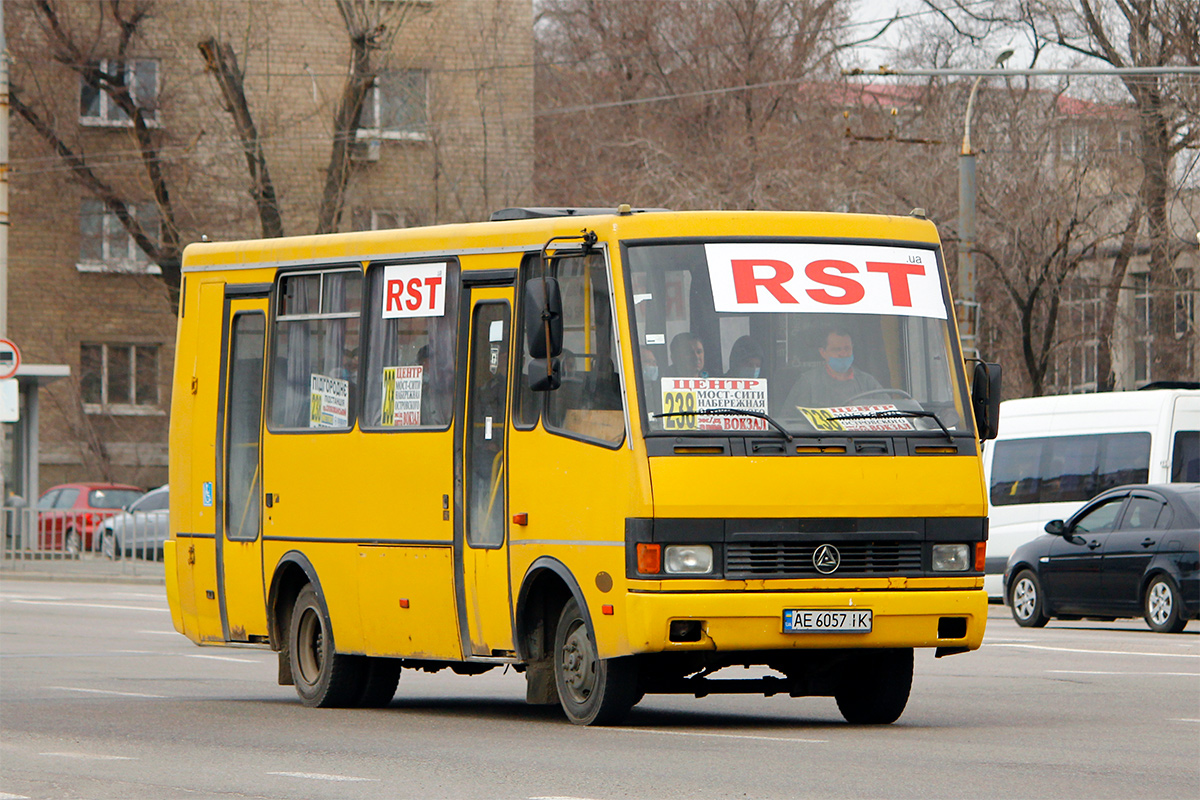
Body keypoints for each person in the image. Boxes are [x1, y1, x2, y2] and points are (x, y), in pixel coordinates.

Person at [784, 327, 882, 409]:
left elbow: (889, 414)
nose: (843, 354)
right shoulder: (808, 382)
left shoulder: (867, 382)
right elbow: (788, 421)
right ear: (823, 352)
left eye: (847, 348)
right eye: (836, 349)